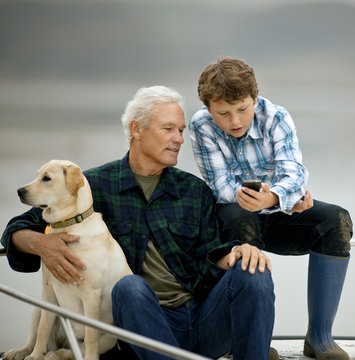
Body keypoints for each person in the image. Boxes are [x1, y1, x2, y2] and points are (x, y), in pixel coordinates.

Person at [1, 86, 277, 360]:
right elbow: (17, 228)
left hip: (202, 319)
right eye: (168, 129)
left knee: (255, 270)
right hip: (142, 324)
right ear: (136, 129)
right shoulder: (92, 186)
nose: (179, 139)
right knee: (129, 287)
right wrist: (42, 244)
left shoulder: (195, 191)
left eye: (181, 130)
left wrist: (238, 254)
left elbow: (209, 267)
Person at [189, 57, 354, 360]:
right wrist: (275, 199)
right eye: (223, 113)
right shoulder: (201, 126)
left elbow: (294, 173)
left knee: (336, 219)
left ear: (254, 97)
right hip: (234, 218)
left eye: (242, 108)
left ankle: (319, 337)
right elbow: (221, 188)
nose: (235, 120)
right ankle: (252, 340)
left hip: (275, 209)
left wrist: (277, 199)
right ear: (208, 109)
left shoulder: (276, 117)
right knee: (239, 212)